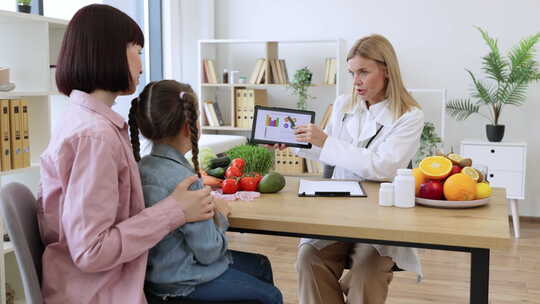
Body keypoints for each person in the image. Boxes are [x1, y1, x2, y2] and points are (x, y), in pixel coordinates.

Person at [37, 5, 214, 304]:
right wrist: (176, 210)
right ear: (110, 52)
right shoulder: (95, 136)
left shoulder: (82, 120)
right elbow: (91, 251)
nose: (142, 66)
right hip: (103, 292)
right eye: (137, 51)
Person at [276, 34, 424, 304]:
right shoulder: (345, 104)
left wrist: (327, 141)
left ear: (387, 70)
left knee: (366, 272)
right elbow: (328, 152)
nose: (356, 81)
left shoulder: (409, 116)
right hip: (339, 211)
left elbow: (382, 167)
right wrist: (296, 144)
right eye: (352, 73)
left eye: (364, 72)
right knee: (308, 257)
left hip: (380, 219)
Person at [129, 80, 283, 304]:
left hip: (155, 275)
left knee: (260, 264)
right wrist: (220, 216)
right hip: (183, 282)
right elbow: (209, 252)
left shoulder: (141, 167)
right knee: (271, 296)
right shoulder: (187, 181)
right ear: (187, 127)